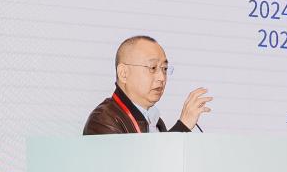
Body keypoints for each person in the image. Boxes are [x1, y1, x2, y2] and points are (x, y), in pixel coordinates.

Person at [82, 35, 212, 135]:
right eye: (153, 67)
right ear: (123, 73)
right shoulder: (103, 120)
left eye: (165, 69)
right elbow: (140, 162)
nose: (162, 77)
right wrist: (182, 126)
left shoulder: (155, 120)